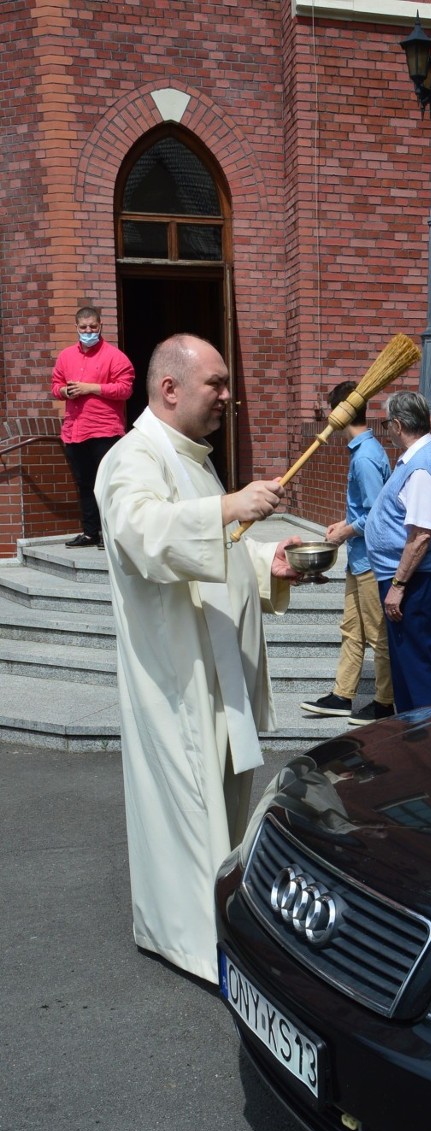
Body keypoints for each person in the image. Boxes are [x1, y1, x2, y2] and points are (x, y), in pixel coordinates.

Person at [94, 334, 302, 985]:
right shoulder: (132, 458)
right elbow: (144, 535)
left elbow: (217, 549)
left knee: (227, 805)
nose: (226, 394)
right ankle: (192, 943)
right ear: (169, 389)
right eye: (214, 383)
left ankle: (227, 922)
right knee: (189, 811)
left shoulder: (193, 459)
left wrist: (269, 562)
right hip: (176, 676)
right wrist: (226, 506)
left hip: (216, 670)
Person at [300, 380, 394, 726]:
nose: (327, 419)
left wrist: (345, 532)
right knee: (352, 630)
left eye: (330, 411)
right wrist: (343, 523)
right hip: (360, 558)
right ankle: (342, 696)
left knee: (377, 635)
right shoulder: (365, 451)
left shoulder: (366, 458)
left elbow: (376, 516)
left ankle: (386, 703)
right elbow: (369, 508)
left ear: (341, 412)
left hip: (371, 560)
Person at [364, 390, 431, 714]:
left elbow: (420, 535)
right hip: (409, 577)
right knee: (407, 666)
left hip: (414, 580)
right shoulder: (421, 458)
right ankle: (413, 739)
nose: (388, 429)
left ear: (398, 424)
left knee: (415, 667)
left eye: (388, 424)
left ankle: (429, 743)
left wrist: (398, 586)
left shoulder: (423, 465)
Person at [51, 304, 134, 549]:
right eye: (84, 327)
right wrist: (66, 390)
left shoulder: (114, 356)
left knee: (109, 484)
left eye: (93, 327)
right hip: (75, 430)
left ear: (100, 327)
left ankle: (111, 534)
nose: (88, 331)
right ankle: (90, 533)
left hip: (105, 430)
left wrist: (91, 388)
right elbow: (55, 386)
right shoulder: (66, 356)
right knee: (85, 483)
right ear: (76, 328)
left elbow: (125, 389)